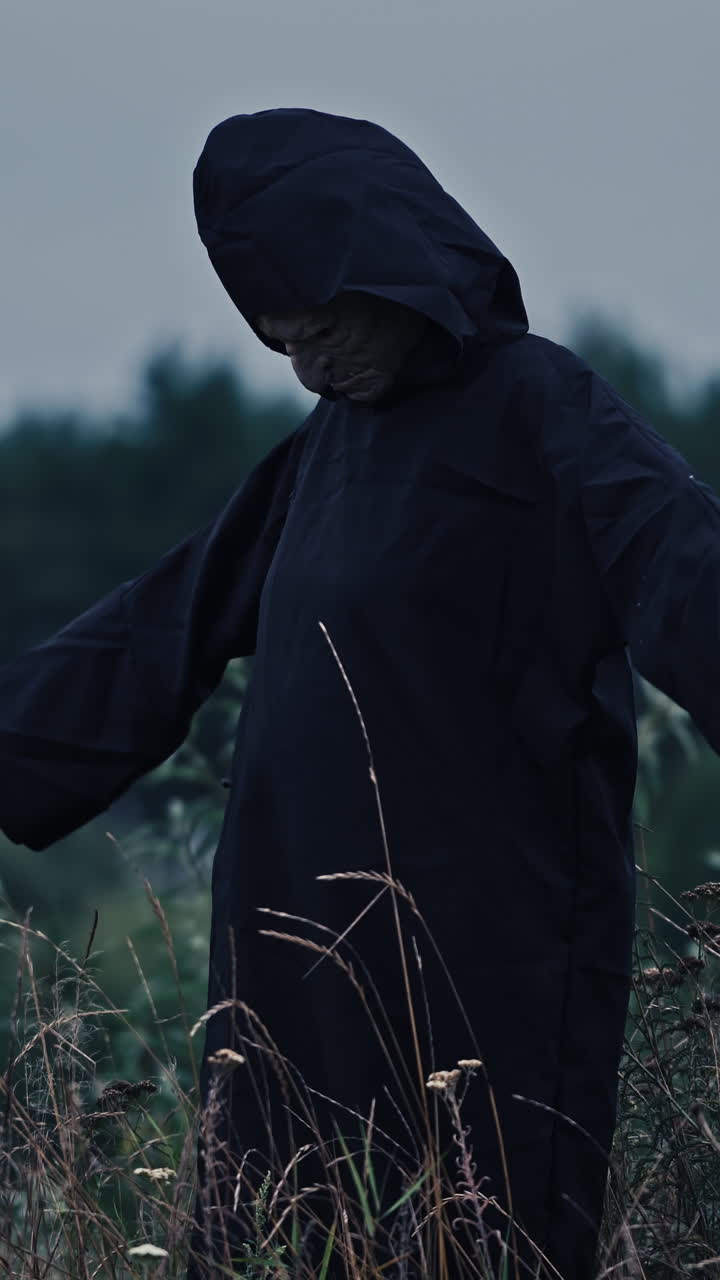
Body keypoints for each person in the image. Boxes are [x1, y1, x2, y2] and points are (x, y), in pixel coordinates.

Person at [1, 106, 717, 1278]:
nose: (311, 365)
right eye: (282, 343)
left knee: (475, 1230)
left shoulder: (541, 406)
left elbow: (685, 565)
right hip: (286, 930)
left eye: (324, 326)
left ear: (397, 273)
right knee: (278, 1224)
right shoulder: (318, 452)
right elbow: (153, 627)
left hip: (485, 936)